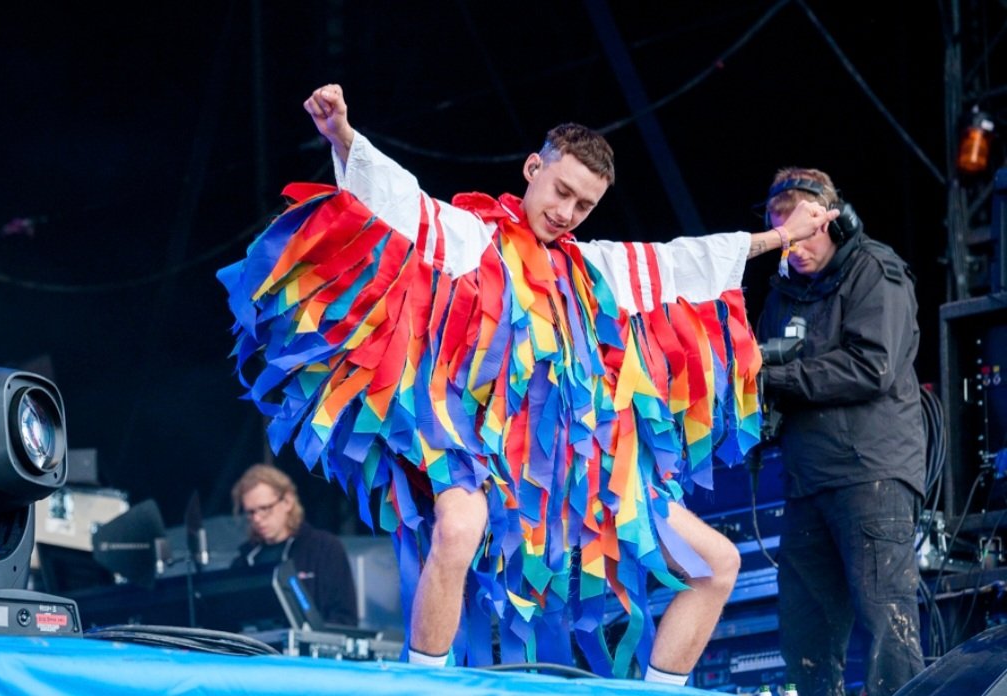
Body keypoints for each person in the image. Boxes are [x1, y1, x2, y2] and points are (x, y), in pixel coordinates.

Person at [218, 83, 836, 682]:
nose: (566, 213)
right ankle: (423, 683)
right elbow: (400, 203)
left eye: (584, 205)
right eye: (560, 191)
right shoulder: (473, 238)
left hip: (570, 483)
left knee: (718, 565)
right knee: (458, 526)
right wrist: (343, 136)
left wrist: (784, 236)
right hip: (475, 457)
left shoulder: (595, 269)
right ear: (533, 167)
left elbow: (687, 259)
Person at [757, 169, 925, 696]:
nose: (795, 252)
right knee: (805, 634)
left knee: (885, 625)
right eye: (784, 241)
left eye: (803, 237)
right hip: (807, 482)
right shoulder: (783, 291)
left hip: (869, 476)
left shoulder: (876, 270)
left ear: (832, 221)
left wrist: (777, 375)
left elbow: (871, 366)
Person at [230, 463, 359, 627]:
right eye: (251, 512)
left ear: (287, 501)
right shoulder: (243, 560)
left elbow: (345, 619)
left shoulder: (324, 548)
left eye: (265, 508)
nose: (257, 518)